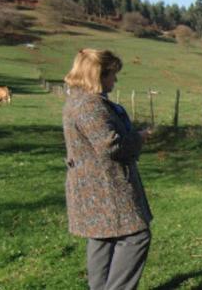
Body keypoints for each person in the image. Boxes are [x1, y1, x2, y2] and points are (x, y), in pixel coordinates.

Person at [62, 49, 152, 290]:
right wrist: (139, 137)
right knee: (136, 236)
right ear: (98, 74)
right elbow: (110, 146)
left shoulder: (80, 100)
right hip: (104, 187)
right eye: (113, 74)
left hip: (94, 187)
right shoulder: (89, 105)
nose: (116, 80)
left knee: (102, 238)